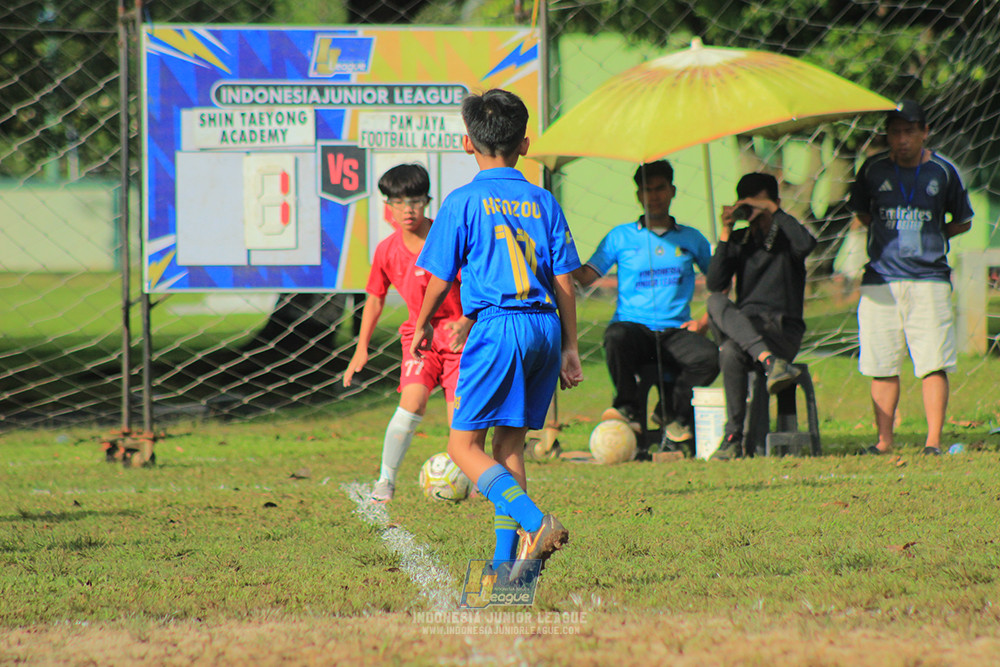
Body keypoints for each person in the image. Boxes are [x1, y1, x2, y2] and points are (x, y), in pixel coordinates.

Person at [410, 89, 583, 580]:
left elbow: (440, 276)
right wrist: (570, 346)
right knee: (509, 448)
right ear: (524, 145)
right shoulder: (543, 201)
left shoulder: (462, 201)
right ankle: (507, 568)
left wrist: (422, 323)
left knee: (463, 447)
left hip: (499, 326)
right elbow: (564, 280)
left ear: (468, 143)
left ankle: (535, 521)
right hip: (544, 327)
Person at [849, 99, 974, 456]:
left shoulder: (943, 172)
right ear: (887, 135)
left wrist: (933, 235)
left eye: (909, 132)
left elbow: (962, 220)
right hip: (880, 279)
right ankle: (884, 440)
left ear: (924, 132)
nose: (902, 139)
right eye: (895, 133)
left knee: (934, 361)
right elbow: (863, 214)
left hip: (929, 278)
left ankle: (933, 441)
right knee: (881, 361)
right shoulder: (873, 170)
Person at [343, 163, 471, 502]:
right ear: (388, 206)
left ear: (427, 201)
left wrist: (466, 321)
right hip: (419, 339)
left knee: (460, 423)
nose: (407, 210)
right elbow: (375, 297)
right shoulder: (387, 250)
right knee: (411, 402)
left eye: (414, 201)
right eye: (398, 203)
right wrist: (361, 347)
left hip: (460, 338)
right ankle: (386, 480)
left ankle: (472, 479)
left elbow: (476, 285)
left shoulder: (448, 240)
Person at [573, 160, 719, 447]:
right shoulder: (620, 236)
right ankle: (627, 407)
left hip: (676, 331)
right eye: (647, 190)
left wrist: (704, 322)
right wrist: (559, 250)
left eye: (660, 188)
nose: (654, 196)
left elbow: (720, 283)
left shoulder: (692, 238)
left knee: (711, 358)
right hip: (635, 330)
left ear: (672, 190)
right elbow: (586, 277)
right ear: (638, 195)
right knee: (615, 336)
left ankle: (671, 412)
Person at [704, 173, 817, 460]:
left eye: (759, 203)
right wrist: (726, 231)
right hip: (750, 331)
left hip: (782, 330)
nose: (752, 210)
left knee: (731, 351)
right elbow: (715, 283)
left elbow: (807, 244)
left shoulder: (788, 238)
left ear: (774, 202)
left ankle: (733, 437)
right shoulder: (740, 240)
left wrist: (773, 211)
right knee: (717, 306)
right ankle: (735, 435)